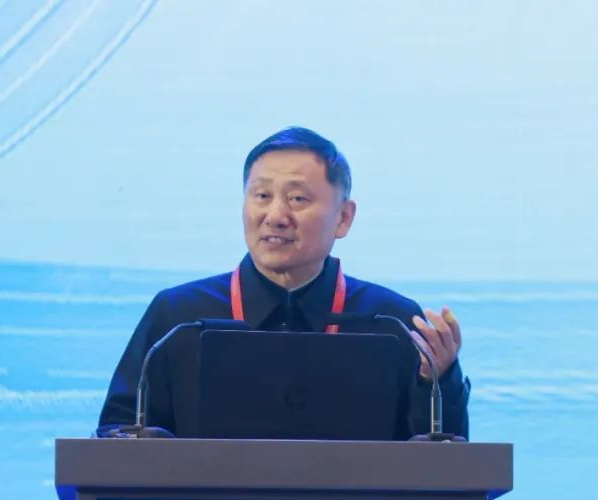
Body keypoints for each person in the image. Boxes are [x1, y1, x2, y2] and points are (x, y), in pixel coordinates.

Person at [98, 127, 469, 438]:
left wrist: (440, 378)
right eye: (262, 195)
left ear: (343, 217)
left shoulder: (391, 322)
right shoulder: (179, 316)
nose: (275, 215)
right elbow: (117, 434)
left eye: (297, 198)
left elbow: (444, 467)